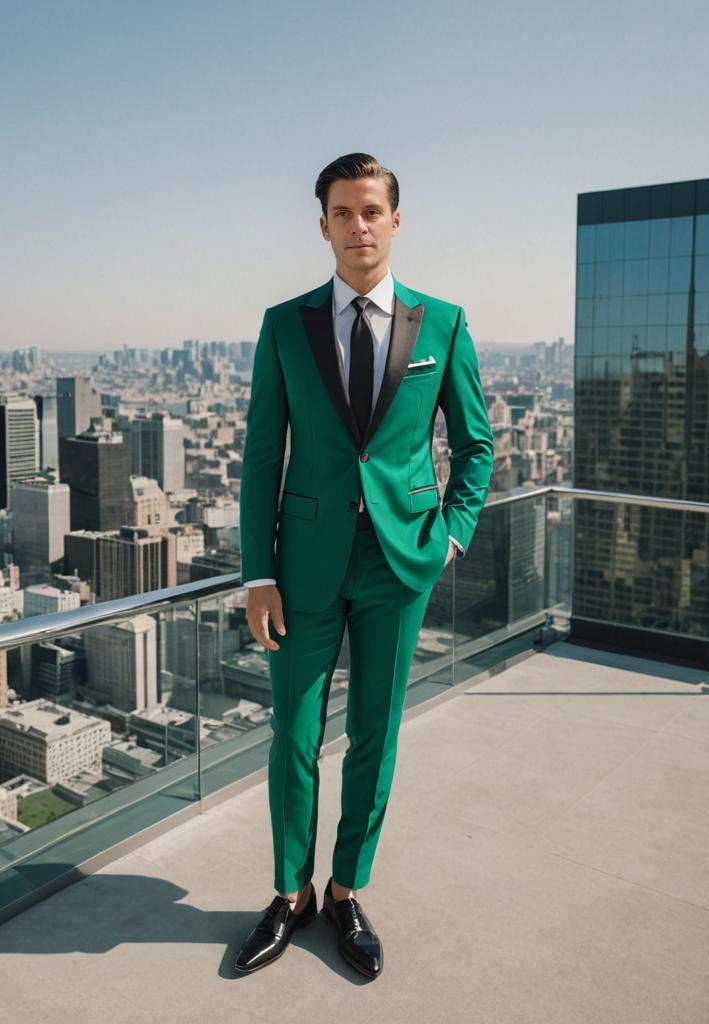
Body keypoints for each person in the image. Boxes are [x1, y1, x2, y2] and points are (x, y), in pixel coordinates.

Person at [234, 153, 494, 979]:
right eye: (342, 212)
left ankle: (346, 891)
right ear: (322, 225)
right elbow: (257, 457)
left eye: (371, 210)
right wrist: (255, 572)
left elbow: (477, 445)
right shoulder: (284, 325)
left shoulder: (443, 323)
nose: (358, 226)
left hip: (399, 564)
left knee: (374, 739)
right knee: (294, 740)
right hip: (301, 568)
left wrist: (450, 535)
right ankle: (289, 894)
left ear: (394, 219)